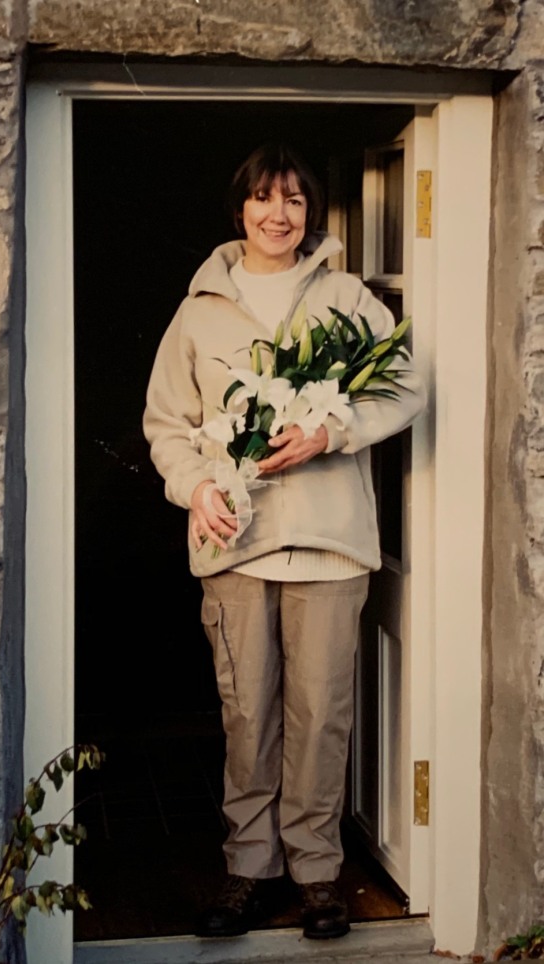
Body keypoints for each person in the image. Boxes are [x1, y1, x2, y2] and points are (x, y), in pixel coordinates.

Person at [143, 143, 427, 941]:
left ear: (312, 213)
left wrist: (330, 429)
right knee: (248, 715)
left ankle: (317, 874)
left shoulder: (346, 297)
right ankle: (247, 871)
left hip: (330, 542)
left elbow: (407, 385)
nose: (279, 214)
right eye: (265, 198)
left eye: (295, 200)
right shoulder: (200, 308)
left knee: (322, 713)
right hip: (236, 543)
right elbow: (166, 424)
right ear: (240, 210)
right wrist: (196, 487)